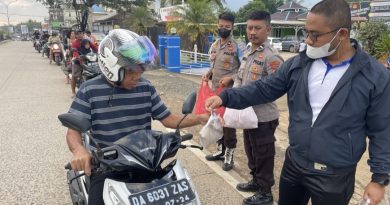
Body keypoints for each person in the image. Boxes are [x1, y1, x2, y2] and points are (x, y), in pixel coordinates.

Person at [206, 0, 390, 205]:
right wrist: (225, 97)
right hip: (295, 165)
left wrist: (379, 179)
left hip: (334, 175)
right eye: (306, 32)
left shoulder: (374, 76)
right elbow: (264, 88)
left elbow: (382, 129)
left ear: (342, 34)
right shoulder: (299, 64)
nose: (309, 41)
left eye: (316, 34)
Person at [66, 29, 209, 204]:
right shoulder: (89, 90)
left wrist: (200, 118)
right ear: (111, 65)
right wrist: (79, 151)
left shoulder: (145, 87)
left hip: (144, 162)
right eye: (131, 71)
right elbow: (73, 131)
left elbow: (168, 119)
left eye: (141, 70)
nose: (138, 76)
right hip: (107, 167)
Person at [233, 11, 283, 205]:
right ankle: (255, 180)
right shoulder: (247, 52)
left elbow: (276, 88)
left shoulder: (272, 57)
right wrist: (233, 97)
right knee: (250, 150)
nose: (252, 32)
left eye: (257, 28)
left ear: (268, 29)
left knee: (264, 155)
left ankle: (265, 192)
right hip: (247, 115)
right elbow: (239, 78)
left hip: (263, 117)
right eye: (249, 27)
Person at [202, 11, 241, 171]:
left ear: (232, 27)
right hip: (215, 91)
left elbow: (243, 68)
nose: (223, 28)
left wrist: (231, 78)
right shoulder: (214, 45)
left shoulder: (238, 46)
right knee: (217, 122)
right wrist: (208, 73)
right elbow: (213, 65)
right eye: (221, 26)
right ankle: (220, 149)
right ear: (217, 26)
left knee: (229, 124)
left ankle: (229, 155)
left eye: (227, 26)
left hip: (230, 93)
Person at [70, 29, 98, 98]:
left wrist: (99, 52)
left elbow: (94, 48)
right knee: (75, 75)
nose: (80, 35)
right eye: (78, 34)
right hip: (78, 60)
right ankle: (73, 92)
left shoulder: (87, 41)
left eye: (81, 33)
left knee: (96, 70)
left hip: (88, 59)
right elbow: (75, 52)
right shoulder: (75, 43)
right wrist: (78, 57)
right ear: (76, 35)